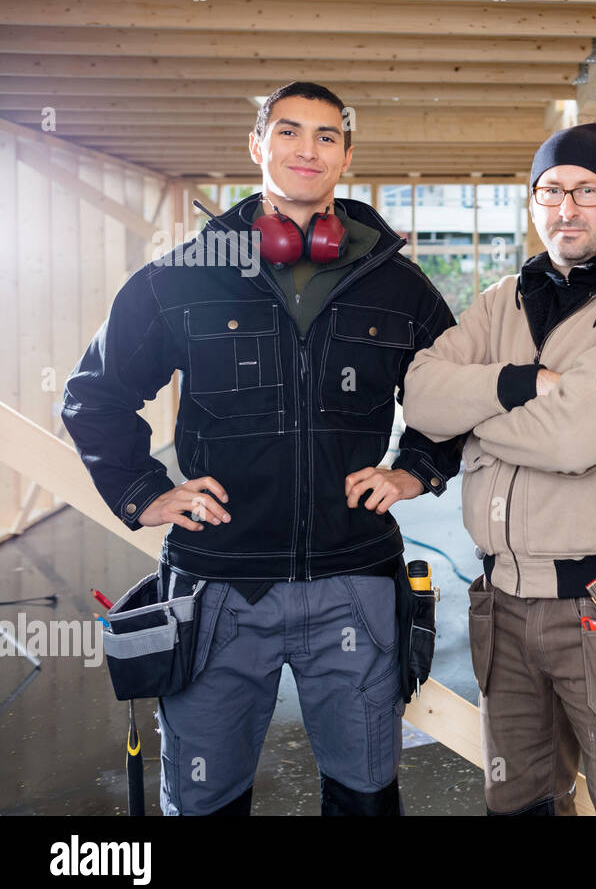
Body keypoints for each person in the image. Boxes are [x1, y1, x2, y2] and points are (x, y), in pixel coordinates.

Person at [61, 81, 461, 815]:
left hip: (354, 583)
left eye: (326, 136)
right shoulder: (181, 279)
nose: (307, 148)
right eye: (288, 131)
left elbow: (455, 392)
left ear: (347, 156)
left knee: (366, 795)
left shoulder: (398, 287)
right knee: (208, 800)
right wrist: (144, 492)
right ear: (257, 146)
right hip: (218, 585)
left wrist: (418, 469)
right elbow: (94, 393)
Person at [402, 123, 596, 815]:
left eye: (588, 191)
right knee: (521, 803)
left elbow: (574, 439)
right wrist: (524, 385)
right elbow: (418, 394)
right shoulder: (503, 298)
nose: (567, 206)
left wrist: (471, 419)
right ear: (534, 202)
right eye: (551, 189)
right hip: (502, 606)